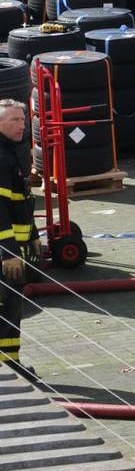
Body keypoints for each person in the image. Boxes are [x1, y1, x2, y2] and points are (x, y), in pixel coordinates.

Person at [0, 100, 36, 382]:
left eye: (23, 120)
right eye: (14, 120)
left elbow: (20, 201)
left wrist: (33, 234)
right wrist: (8, 252)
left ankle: (11, 364)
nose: (22, 125)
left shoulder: (11, 152)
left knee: (14, 305)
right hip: (5, 253)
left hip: (16, 250)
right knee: (7, 308)